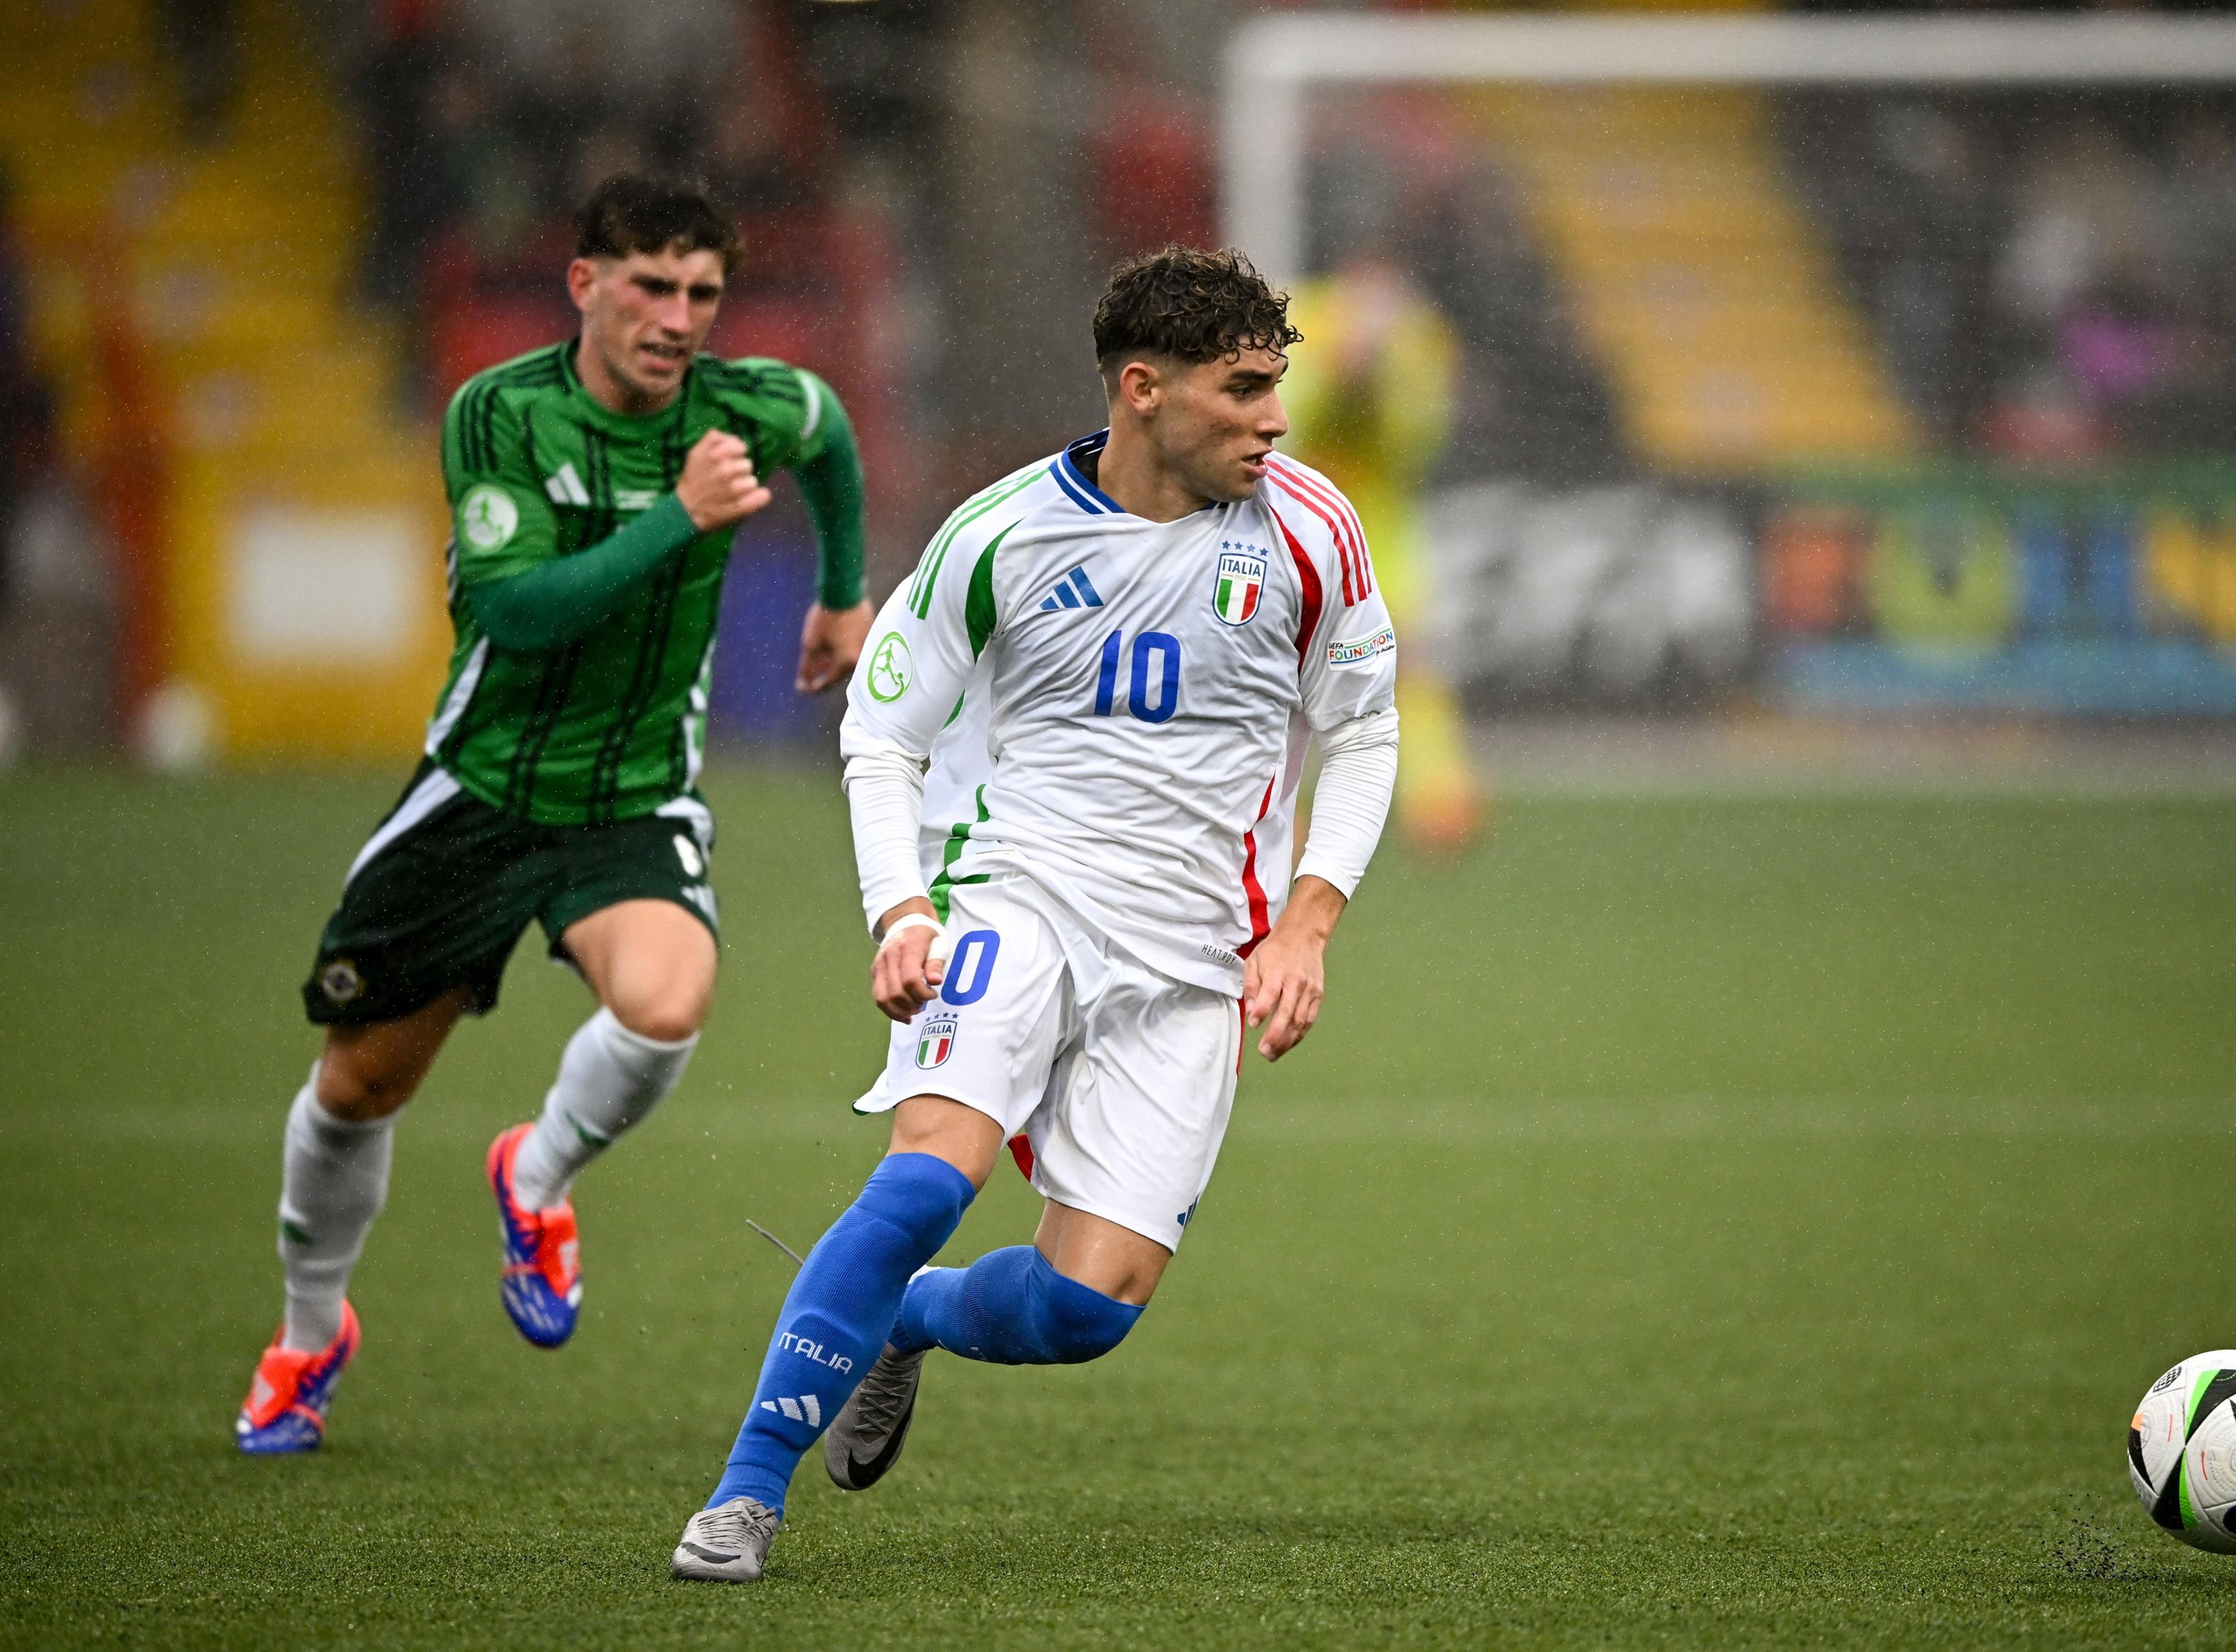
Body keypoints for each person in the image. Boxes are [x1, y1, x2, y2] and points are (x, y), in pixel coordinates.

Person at [669, 246, 1400, 1582]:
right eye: (1244, 390)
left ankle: (911, 1325)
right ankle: (744, 1494)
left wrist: (1307, 927)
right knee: (927, 1172)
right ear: (1143, 390)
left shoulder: (1314, 532)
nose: (1276, 419)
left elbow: (1363, 732)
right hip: (1017, 896)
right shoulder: (998, 534)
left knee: (1085, 1309)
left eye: (1278, 387)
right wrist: (902, 909)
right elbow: (882, 732)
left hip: (1193, 959)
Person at [234, 174, 875, 1454]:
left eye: (702, 293)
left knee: (669, 1000)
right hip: (479, 794)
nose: (678, 316)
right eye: (650, 286)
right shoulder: (503, 414)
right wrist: (679, 516)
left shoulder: (747, 407)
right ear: (584, 284)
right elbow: (514, 614)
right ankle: (310, 1335)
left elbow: (832, 431)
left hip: (633, 799)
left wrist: (842, 594)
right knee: (359, 1087)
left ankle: (537, 1176)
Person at [1282, 247, 1481, 854]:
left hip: (1377, 535)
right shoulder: (1294, 321)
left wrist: (1375, 381)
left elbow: (1416, 440)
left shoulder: (1421, 341)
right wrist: (1337, 371)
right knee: (1271, 676)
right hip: (1293, 528)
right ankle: (1277, 816)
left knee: (1408, 667)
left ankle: (1438, 801)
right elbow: (1278, 429)